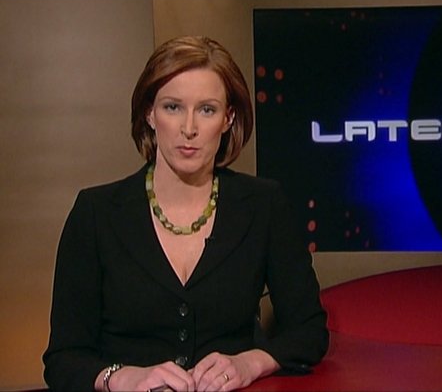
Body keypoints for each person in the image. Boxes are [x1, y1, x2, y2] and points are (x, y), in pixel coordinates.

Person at [43, 36, 329, 392]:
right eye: (173, 107)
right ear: (149, 113)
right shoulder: (96, 213)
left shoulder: (263, 204)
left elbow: (309, 331)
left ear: (228, 118)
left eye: (207, 110)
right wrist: (122, 376)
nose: (189, 128)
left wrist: (250, 362)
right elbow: (63, 359)